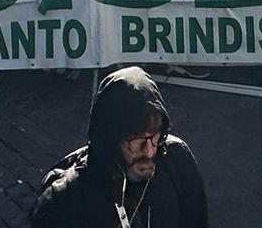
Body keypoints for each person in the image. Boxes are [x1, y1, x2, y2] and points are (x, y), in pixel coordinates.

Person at [31, 66, 208, 228]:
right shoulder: (64, 200)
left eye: (156, 137)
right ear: (111, 139)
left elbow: (196, 221)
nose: (149, 152)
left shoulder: (175, 159)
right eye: (136, 142)